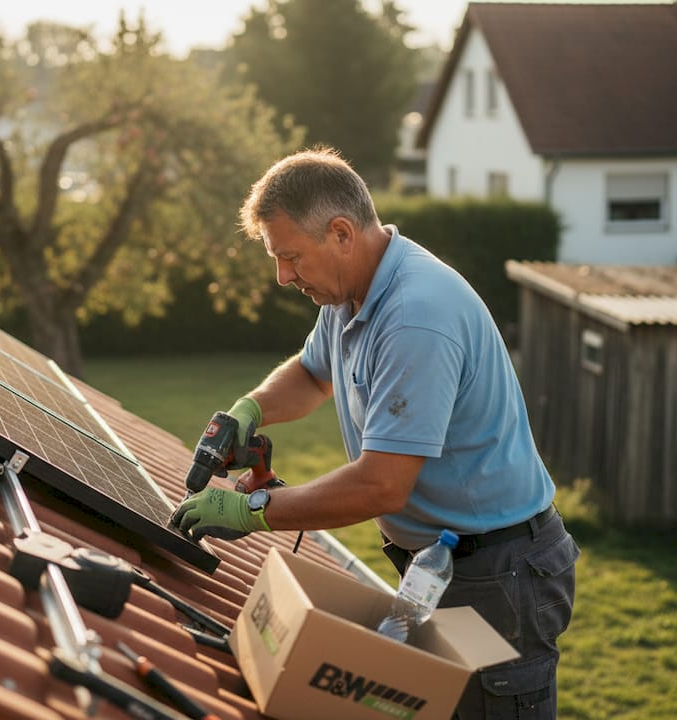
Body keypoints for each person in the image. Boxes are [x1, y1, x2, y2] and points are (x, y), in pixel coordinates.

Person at [171, 147, 580, 719]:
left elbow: (381, 486)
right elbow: (314, 375)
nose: (283, 276)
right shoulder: (350, 292)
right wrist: (250, 409)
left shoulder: (415, 315)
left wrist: (255, 508)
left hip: (501, 574)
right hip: (444, 563)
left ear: (341, 233)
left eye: (290, 257)